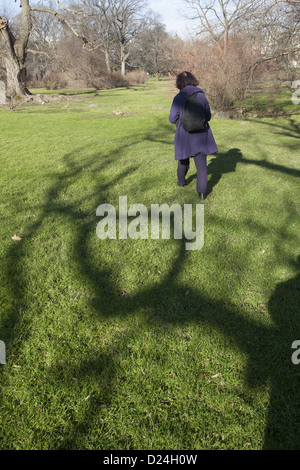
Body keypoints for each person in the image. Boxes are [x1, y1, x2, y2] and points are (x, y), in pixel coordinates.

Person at [169, 71, 218, 200]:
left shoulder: (178, 98)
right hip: (201, 136)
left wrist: (180, 122)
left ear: (179, 83)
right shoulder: (201, 96)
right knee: (201, 165)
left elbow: (171, 118)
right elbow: (208, 116)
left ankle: (181, 182)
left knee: (183, 160)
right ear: (193, 80)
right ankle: (202, 194)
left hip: (183, 136)